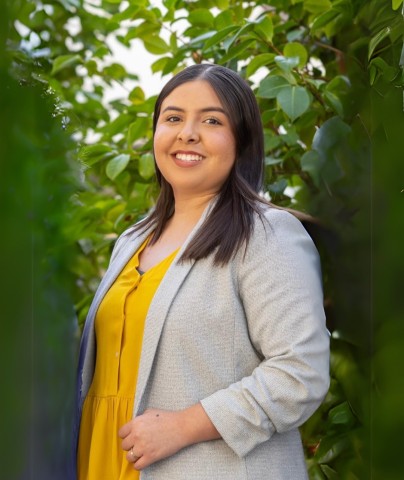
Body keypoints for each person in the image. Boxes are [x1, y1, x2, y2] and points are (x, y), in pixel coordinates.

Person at [74, 63, 330, 480]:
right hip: (101, 461)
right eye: (173, 118)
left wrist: (184, 426)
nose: (186, 133)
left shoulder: (267, 235)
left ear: (241, 140)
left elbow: (300, 372)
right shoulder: (131, 241)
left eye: (211, 120)